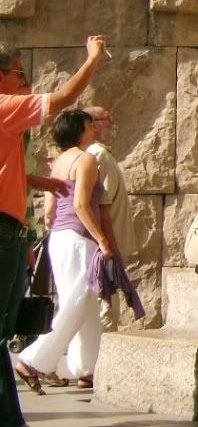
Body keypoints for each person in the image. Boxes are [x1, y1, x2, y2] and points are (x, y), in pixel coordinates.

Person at [0, 36, 106, 426]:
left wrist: (37, 184)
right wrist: (92, 60)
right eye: (19, 74)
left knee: (5, 329)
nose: (25, 81)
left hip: (13, 229)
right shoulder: (4, 106)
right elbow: (61, 98)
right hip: (5, 231)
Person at [15, 110, 112, 392]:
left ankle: (86, 368)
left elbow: (48, 212)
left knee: (84, 303)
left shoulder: (59, 162)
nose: (94, 127)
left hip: (58, 235)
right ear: (79, 131)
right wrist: (103, 241)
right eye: (89, 124)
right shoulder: (86, 159)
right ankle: (33, 359)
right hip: (80, 238)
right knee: (80, 299)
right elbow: (82, 205)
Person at [82, 106, 138, 331]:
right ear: (93, 124)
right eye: (108, 119)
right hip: (105, 247)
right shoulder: (98, 155)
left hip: (107, 244)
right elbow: (101, 205)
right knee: (105, 311)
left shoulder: (101, 153)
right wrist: (108, 244)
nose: (112, 124)